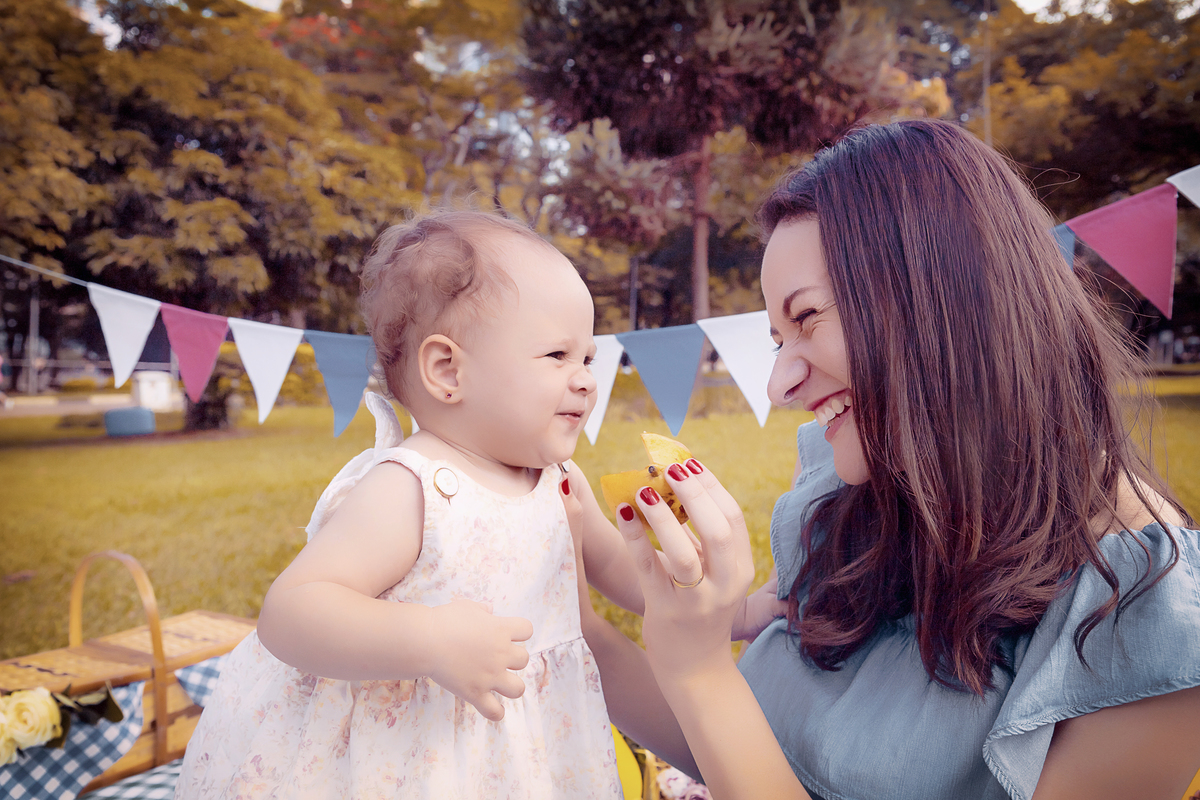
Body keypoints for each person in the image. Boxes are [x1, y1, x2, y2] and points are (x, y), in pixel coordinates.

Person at [575, 119, 1200, 800]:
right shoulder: (849, 489)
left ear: (943, 296)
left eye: (807, 318)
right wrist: (579, 621)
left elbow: (717, 705)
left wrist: (701, 671)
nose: (779, 384)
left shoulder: (1151, 615)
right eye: (775, 338)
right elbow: (740, 751)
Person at [175, 211, 661, 798]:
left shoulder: (560, 480)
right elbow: (291, 610)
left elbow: (628, 573)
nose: (586, 379)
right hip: (425, 758)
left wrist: (729, 610)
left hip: (532, 751)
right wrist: (430, 641)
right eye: (558, 356)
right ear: (447, 369)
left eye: (588, 357)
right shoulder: (414, 489)